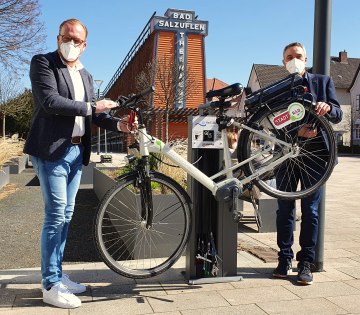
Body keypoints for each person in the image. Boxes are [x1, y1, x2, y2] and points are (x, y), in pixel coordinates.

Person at [24, 18, 130, 309]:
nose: (71, 44)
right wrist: (93, 107)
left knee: (67, 216)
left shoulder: (85, 75)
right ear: (58, 38)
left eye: (77, 41)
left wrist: (120, 125)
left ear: (85, 45)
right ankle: (49, 285)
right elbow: (50, 102)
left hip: (75, 153)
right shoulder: (43, 63)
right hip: (50, 151)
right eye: (66, 38)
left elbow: (95, 116)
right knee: (56, 215)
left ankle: (58, 275)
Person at [272, 42, 343, 285]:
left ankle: (305, 263)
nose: (294, 60)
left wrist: (329, 107)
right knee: (284, 209)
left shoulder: (323, 82)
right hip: (285, 155)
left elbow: (338, 114)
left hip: (317, 156)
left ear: (306, 58)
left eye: (298, 56)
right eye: (289, 57)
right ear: (283, 61)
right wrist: (296, 133)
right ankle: (284, 259)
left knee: (311, 211)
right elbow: (272, 124)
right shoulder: (278, 88)